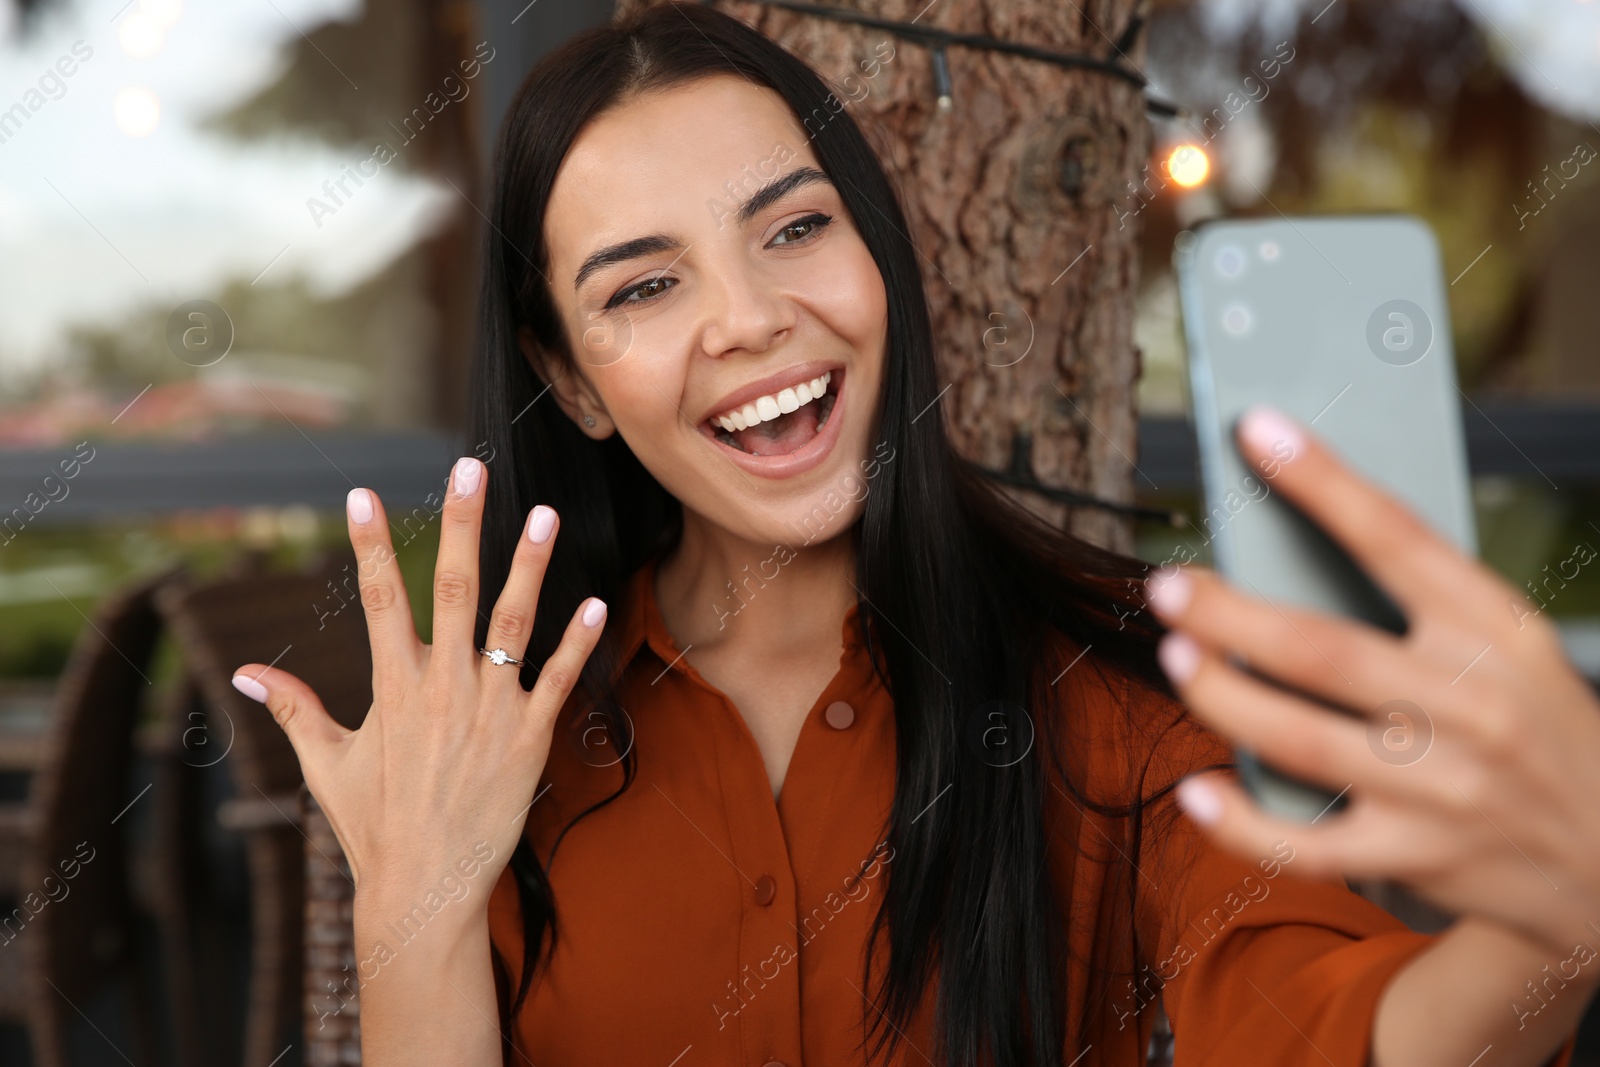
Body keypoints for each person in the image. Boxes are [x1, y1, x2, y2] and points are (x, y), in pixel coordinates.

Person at [229, 3, 1600, 1064]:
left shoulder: (1108, 688)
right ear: (574, 376)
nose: (751, 318)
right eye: (644, 286)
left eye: (795, 228)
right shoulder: (500, 739)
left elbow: (1342, 1032)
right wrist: (416, 902)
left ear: (877, 256)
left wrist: (1563, 922)